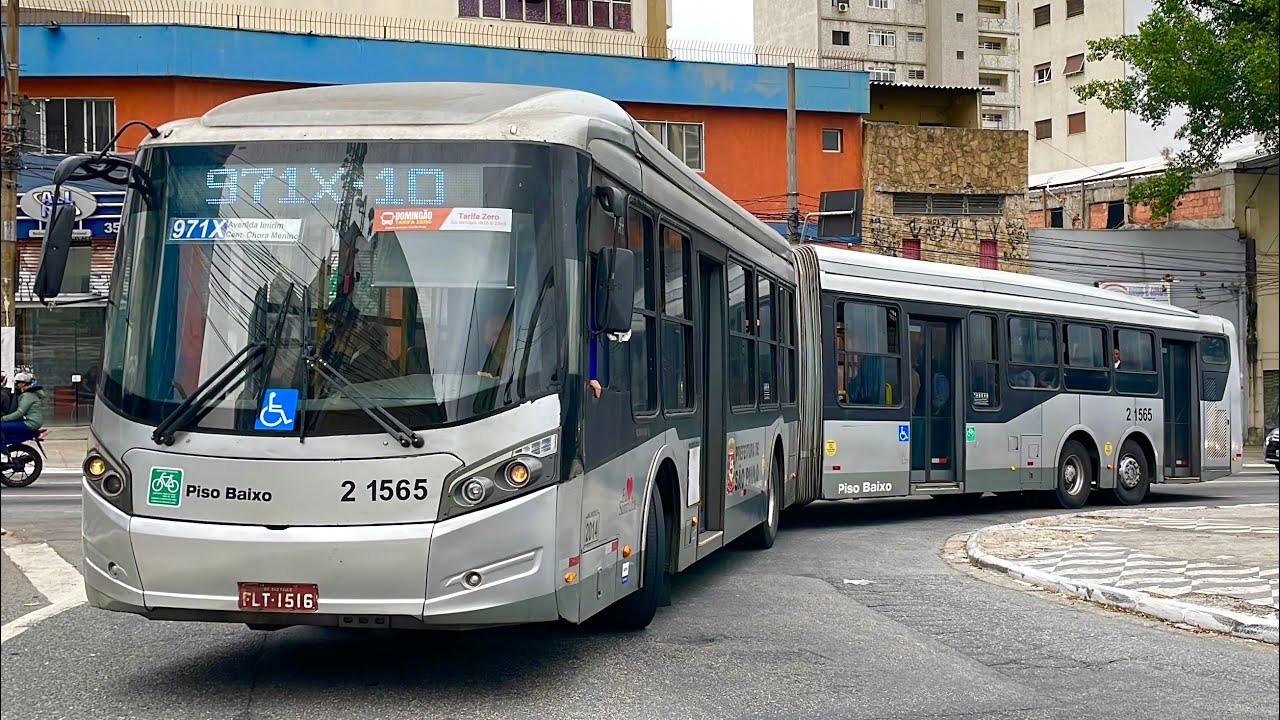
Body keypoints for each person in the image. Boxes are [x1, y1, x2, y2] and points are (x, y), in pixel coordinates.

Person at [1, 372, 46, 447]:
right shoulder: (30, 394)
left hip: (30, 423)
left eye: (18, 383)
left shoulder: (27, 395)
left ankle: (3, 455)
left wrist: (3, 418)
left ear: (23, 384)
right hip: (30, 421)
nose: (16, 385)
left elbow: (19, 413)